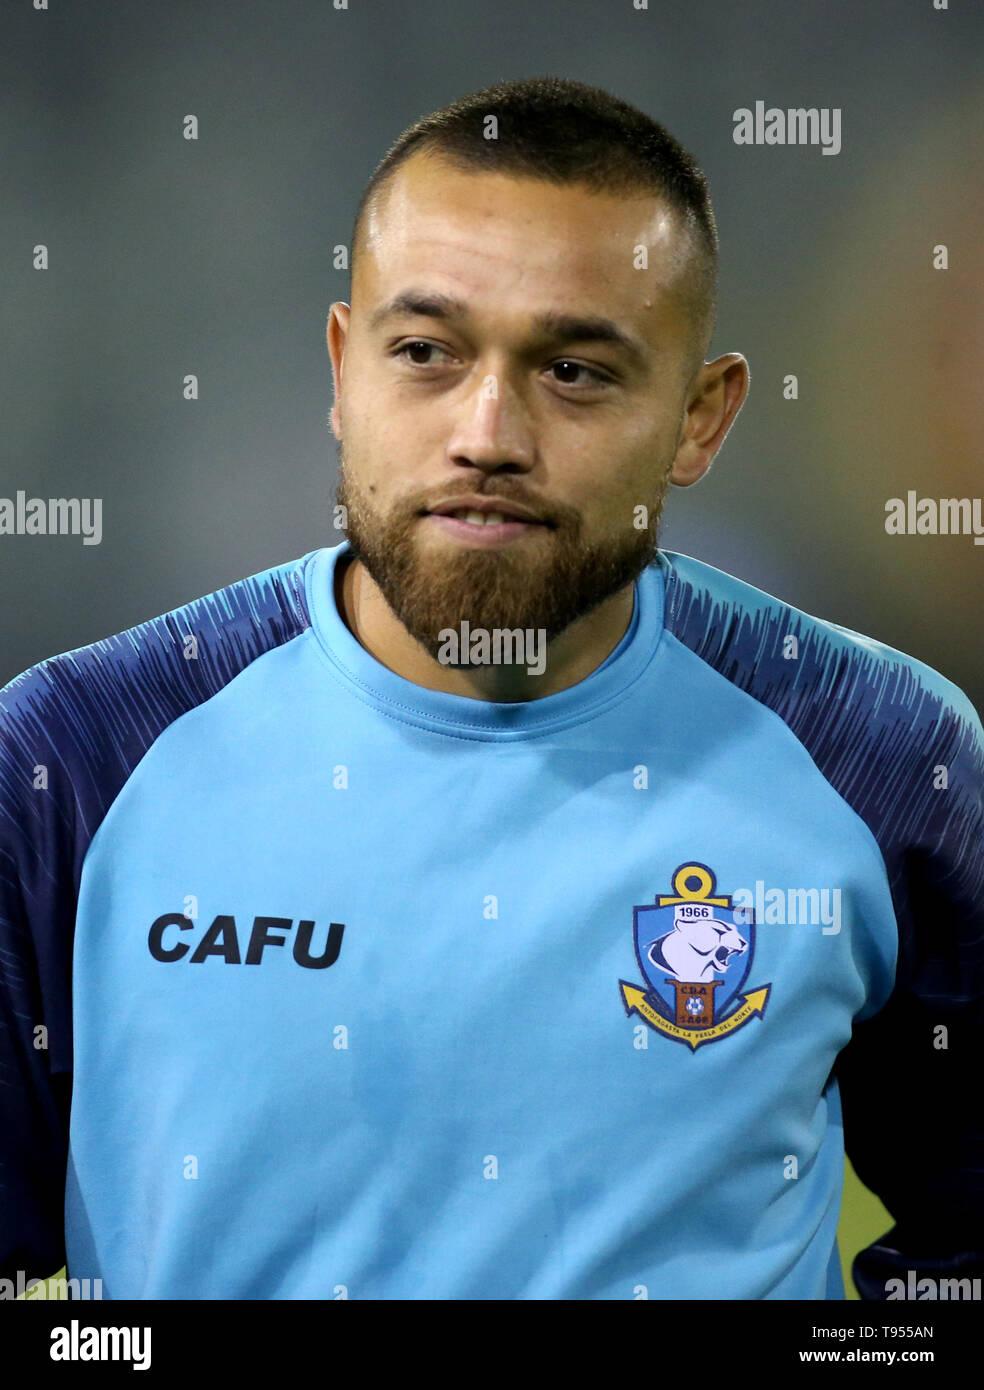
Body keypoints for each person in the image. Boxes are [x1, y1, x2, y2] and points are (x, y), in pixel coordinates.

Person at [1, 75, 981, 1302]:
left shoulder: (887, 759)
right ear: (344, 370)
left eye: (573, 370)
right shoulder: (71, 763)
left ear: (700, 418)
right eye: (425, 352)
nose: (488, 432)